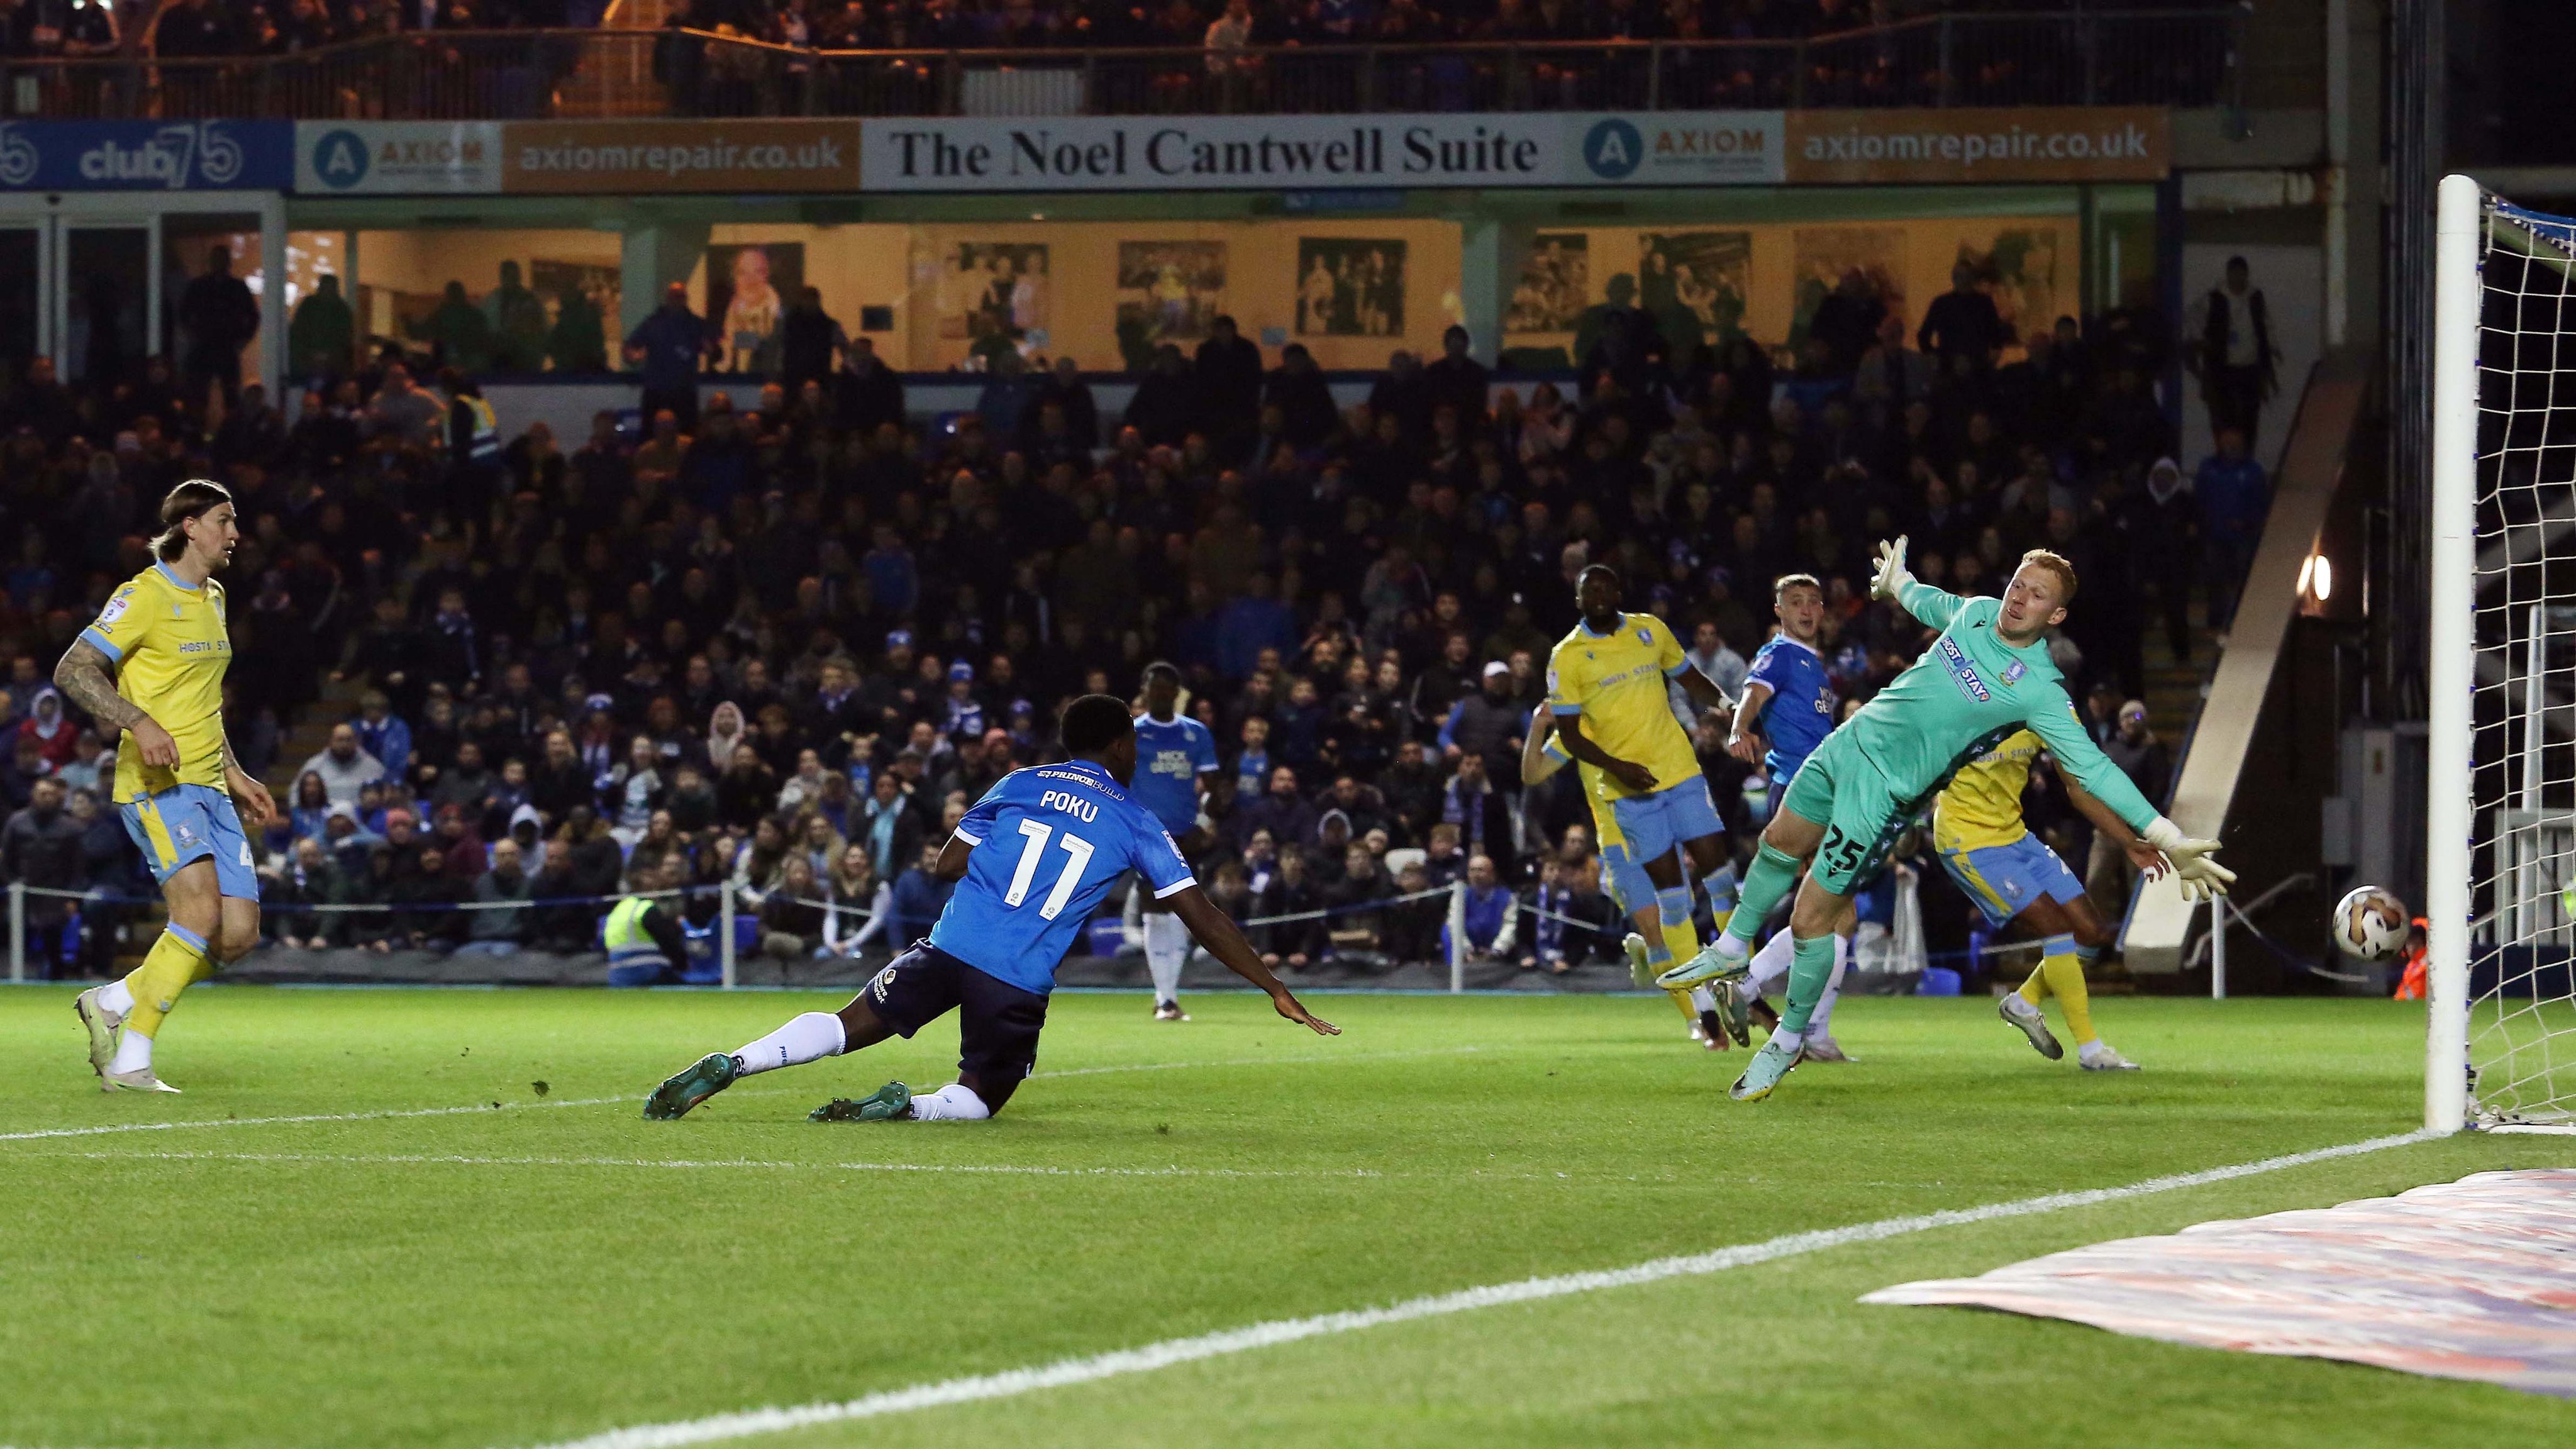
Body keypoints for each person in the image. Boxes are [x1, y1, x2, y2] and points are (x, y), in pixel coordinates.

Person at [1662, 541, 2233, 1103]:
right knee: (1776, 842)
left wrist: (2163, 834)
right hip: (1848, 743)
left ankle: (1787, 1042)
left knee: (1814, 922)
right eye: (2018, 584)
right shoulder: (1980, 611)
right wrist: (1898, 584)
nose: (2019, 598)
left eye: (2037, 595)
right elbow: (1930, 602)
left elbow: (2093, 769)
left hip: (1886, 792)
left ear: (2054, 616)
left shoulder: (2040, 690)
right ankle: (1735, 946)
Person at [642, 694, 1338, 1124]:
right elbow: (1201, 914)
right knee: (980, 1098)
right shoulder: (1136, 820)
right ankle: (910, 1107)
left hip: (947, 947)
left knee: (848, 1021)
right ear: (1123, 746)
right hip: (1015, 980)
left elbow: (946, 862)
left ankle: (735, 1063)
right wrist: (1274, 987)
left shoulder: (1019, 780)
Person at [60, 480, 277, 1092]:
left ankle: (115, 998)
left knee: (236, 936)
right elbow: (72, 669)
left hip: (210, 781)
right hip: (158, 784)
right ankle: (131, 1062)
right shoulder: (143, 596)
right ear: (190, 526)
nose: (235, 533)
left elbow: (204, 703)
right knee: (199, 912)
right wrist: (138, 719)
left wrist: (234, 769)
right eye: (225, 520)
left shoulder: (215, 596)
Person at [1545, 564, 1739, 1007]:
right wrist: (1617, 767)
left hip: (1680, 773)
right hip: (1625, 800)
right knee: (1673, 906)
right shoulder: (1567, 656)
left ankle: (1735, 982)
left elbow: (1687, 677)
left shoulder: (1650, 630)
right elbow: (1569, 739)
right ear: (1577, 600)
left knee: (1722, 880)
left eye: (1605, 586)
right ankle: (1701, 1013)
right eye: (1587, 590)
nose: (1597, 595)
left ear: (1619, 589)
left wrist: (1730, 705)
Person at [1934, 730, 2163, 1072]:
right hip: (1968, 841)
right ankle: (2091, 1050)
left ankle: (2023, 1003)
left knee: (2091, 933)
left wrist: (2128, 840)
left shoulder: (2047, 706)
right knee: (2056, 929)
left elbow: (2078, 785)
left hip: (2016, 836)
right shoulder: (1968, 696)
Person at [1718, 573, 1857, 1063]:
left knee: (1838, 912)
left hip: (1820, 789)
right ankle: (1750, 986)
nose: (1805, 609)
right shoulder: (1780, 654)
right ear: (1778, 611)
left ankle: (1810, 1028)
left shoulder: (1814, 665)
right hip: (1802, 791)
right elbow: (1753, 694)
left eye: (1813, 602)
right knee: (1826, 911)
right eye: (1794, 602)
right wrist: (1739, 729)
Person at [1521, 713, 1723, 1047]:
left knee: (1679, 930)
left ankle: (1650, 957)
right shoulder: (1579, 730)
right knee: (1660, 934)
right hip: (1618, 845)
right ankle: (1698, 1020)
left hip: (1660, 834)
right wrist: (1538, 725)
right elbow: (1532, 774)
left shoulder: (1642, 714)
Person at [1128, 661, 1219, 1021]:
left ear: (1177, 693)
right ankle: (1165, 997)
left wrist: (1205, 819)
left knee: (1183, 911)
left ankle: (1169, 995)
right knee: (1154, 910)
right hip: (1147, 835)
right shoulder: (1132, 733)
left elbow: (1214, 787)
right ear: (1145, 690)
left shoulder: (1196, 734)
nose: (1161, 694)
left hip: (1186, 835)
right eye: (1155, 687)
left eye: (1168, 688)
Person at [178, 246, 260, 404]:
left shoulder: (237, 288)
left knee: (231, 395)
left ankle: (229, 426)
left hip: (226, 346)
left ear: (228, 263)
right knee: (198, 395)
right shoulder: (199, 286)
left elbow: (253, 316)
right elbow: (184, 314)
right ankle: (199, 426)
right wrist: (192, 336)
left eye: (222, 259)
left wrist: (243, 340)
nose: (219, 263)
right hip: (204, 347)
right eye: (216, 259)